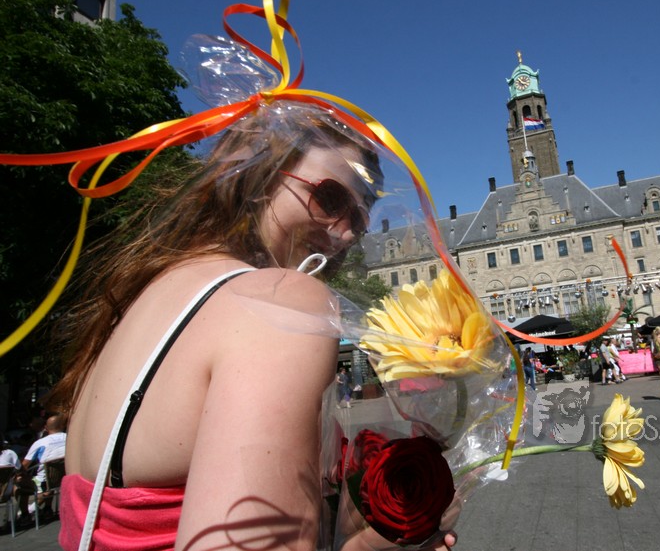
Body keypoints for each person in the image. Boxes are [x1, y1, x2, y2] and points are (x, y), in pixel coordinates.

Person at [42, 103, 457, 551]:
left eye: (358, 219)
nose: (345, 234)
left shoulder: (136, 302)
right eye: (330, 199)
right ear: (259, 176)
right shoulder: (281, 301)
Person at [16, 414, 66, 524]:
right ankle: (47, 509)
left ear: (46, 428)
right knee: (51, 479)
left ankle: (25, 514)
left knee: (19, 484)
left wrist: (19, 475)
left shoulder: (40, 443)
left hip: (44, 482)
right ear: (62, 426)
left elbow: (24, 465)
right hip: (65, 478)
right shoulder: (70, 439)